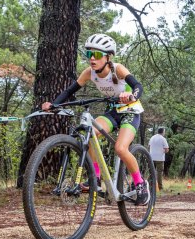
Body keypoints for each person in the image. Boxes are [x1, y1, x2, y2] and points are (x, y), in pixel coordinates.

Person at [42, 33, 150, 205]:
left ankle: (140, 184)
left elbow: (138, 86)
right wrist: (54, 105)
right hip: (112, 112)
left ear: (108, 57)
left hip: (130, 111)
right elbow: (69, 91)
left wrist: (131, 95)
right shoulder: (89, 73)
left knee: (121, 149)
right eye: (89, 54)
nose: (92, 59)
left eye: (97, 55)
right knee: (90, 134)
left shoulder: (118, 69)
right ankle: (96, 179)